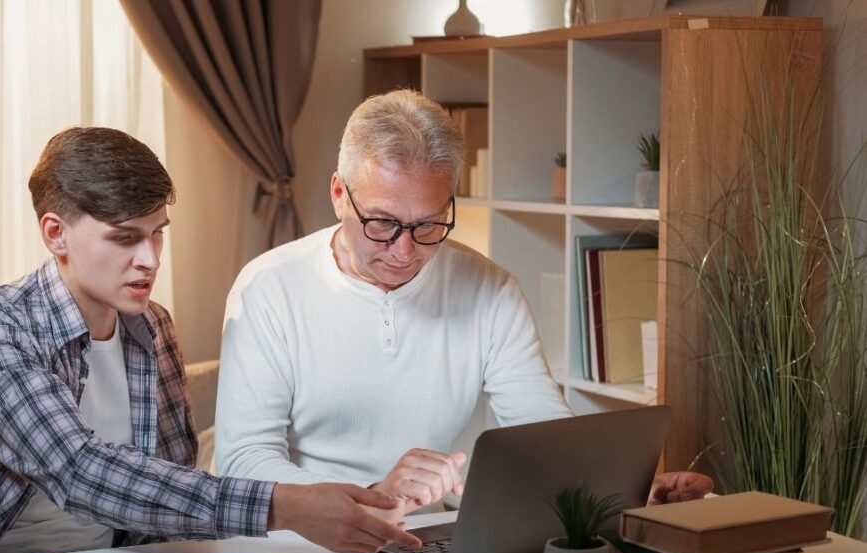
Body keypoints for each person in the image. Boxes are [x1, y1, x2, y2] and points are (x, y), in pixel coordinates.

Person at [0, 127, 421, 553]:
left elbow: (168, 488)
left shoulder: (151, 329)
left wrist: (344, 504)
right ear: (56, 234)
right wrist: (286, 507)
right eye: (125, 238)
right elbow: (82, 474)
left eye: (157, 233)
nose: (149, 259)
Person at [214, 89, 712, 520]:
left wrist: (624, 490)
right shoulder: (269, 288)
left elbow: (542, 429)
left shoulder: (489, 288)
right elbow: (244, 461)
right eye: (383, 224)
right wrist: (368, 499)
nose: (405, 252)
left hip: (424, 538)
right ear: (339, 194)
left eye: (429, 224)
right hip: (300, 545)